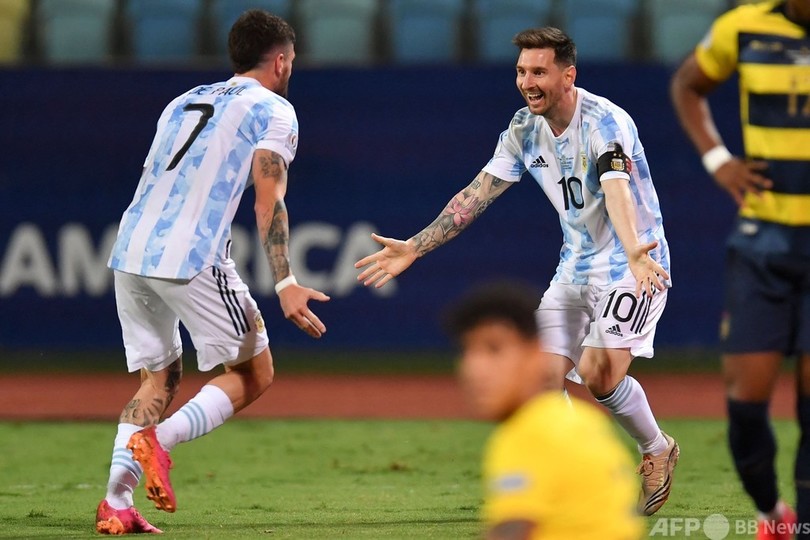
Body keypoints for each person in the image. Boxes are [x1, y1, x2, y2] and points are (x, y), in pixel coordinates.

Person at [356, 27, 679, 516]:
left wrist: (635, 252)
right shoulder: (524, 129)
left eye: (539, 72)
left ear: (568, 76)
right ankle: (575, 469)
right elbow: (476, 194)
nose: (528, 82)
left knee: (599, 376)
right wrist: (416, 247)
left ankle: (657, 448)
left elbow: (615, 188)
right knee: (538, 380)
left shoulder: (605, 122)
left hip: (632, 266)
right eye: (521, 72)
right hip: (575, 267)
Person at [95, 10, 329, 535]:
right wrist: (286, 282)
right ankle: (159, 440)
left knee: (159, 378)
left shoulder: (182, 100)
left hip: (130, 248)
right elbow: (268, 200)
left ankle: (115, 503)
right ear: (281, 61)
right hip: (192, 255)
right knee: (253, 372)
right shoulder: (275, 109)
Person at [670, 1, 810, 538]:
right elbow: (688, 85)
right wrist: (718, 160)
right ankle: (772, 512)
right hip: (763, 245)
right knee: (746, 407)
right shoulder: (744, 27)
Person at [445, 281, 643, 540]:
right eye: (467, 350)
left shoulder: (530, 434)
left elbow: (512, 532)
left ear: (537, 354)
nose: (475, 369)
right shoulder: (583, 420)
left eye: (494, 349)